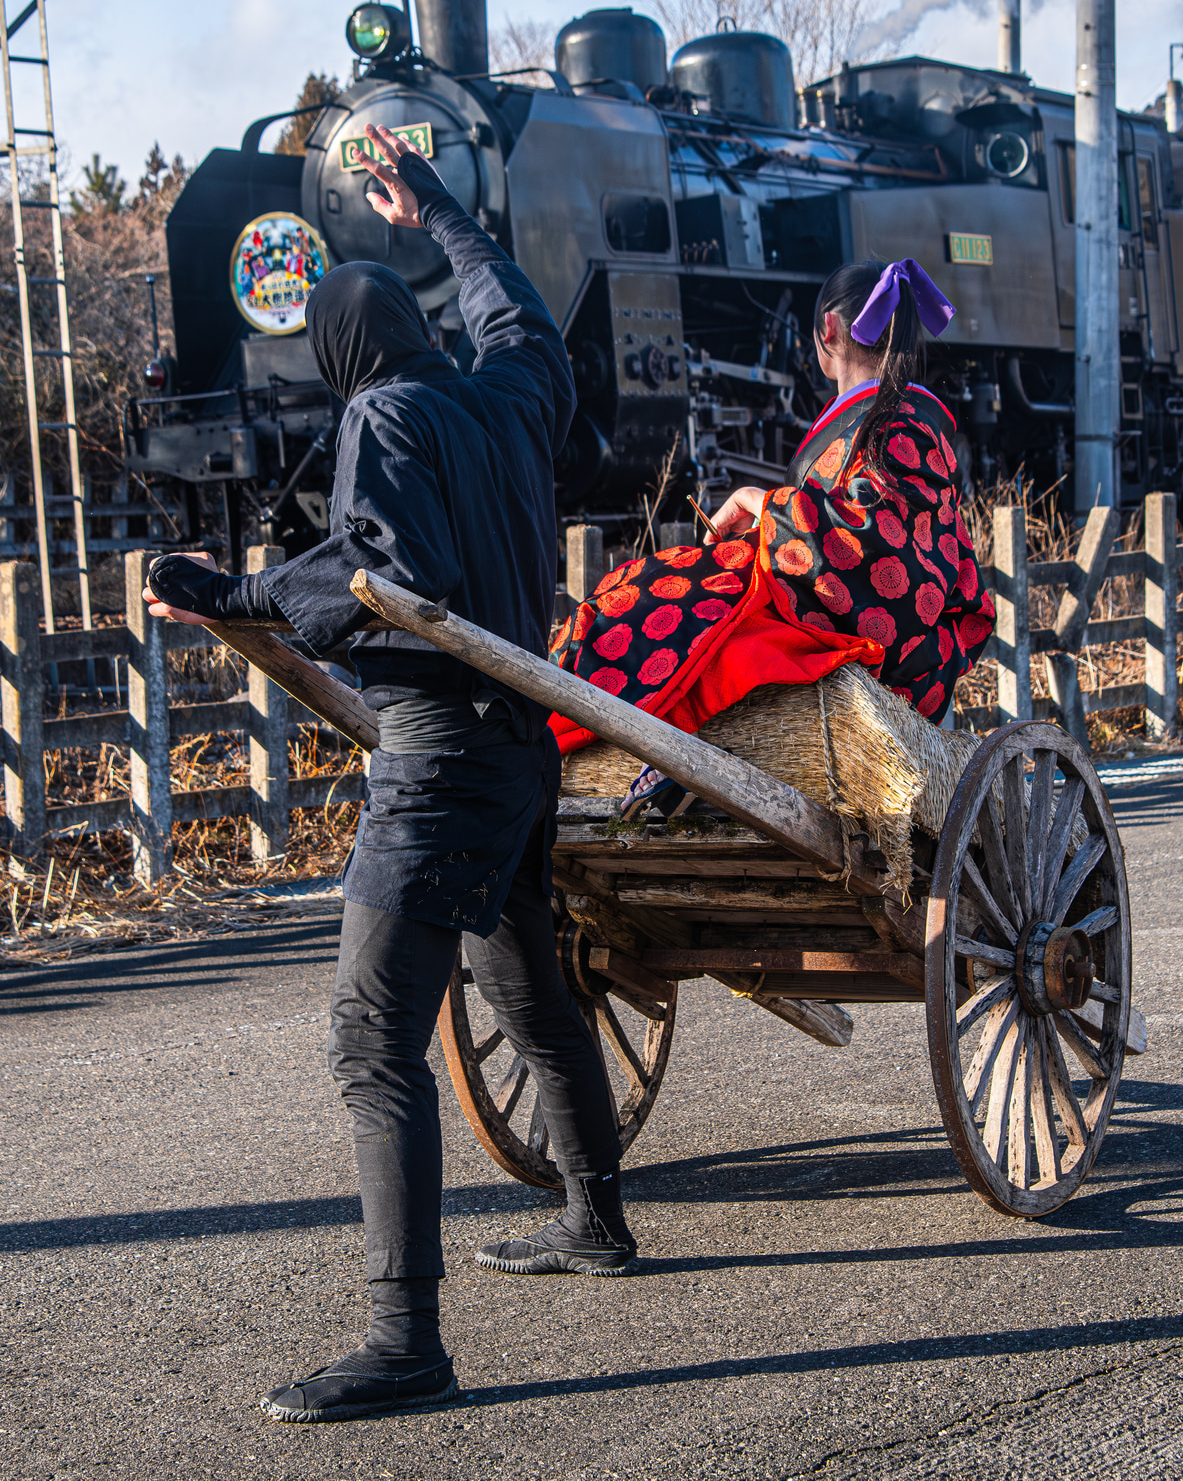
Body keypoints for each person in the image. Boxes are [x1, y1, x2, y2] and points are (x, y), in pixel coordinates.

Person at [144, 127, 635, 1426]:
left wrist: (229, 590)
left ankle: (402, 1340)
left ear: (346, 360)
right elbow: (517, 315)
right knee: (528, 989)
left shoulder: (385, 413)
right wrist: (439, 215)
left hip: (441, 762)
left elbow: (382, 575)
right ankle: (595, 1218)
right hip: (524, 748)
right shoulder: (510, 398)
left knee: (373, 1039)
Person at [703, 257, 994, 718]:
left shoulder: (895, 428)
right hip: (853, 638)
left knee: (689, 624)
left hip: (885, 662)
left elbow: (870, 543)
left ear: (829, 327)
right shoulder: (894, 422)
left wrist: (761, 505)